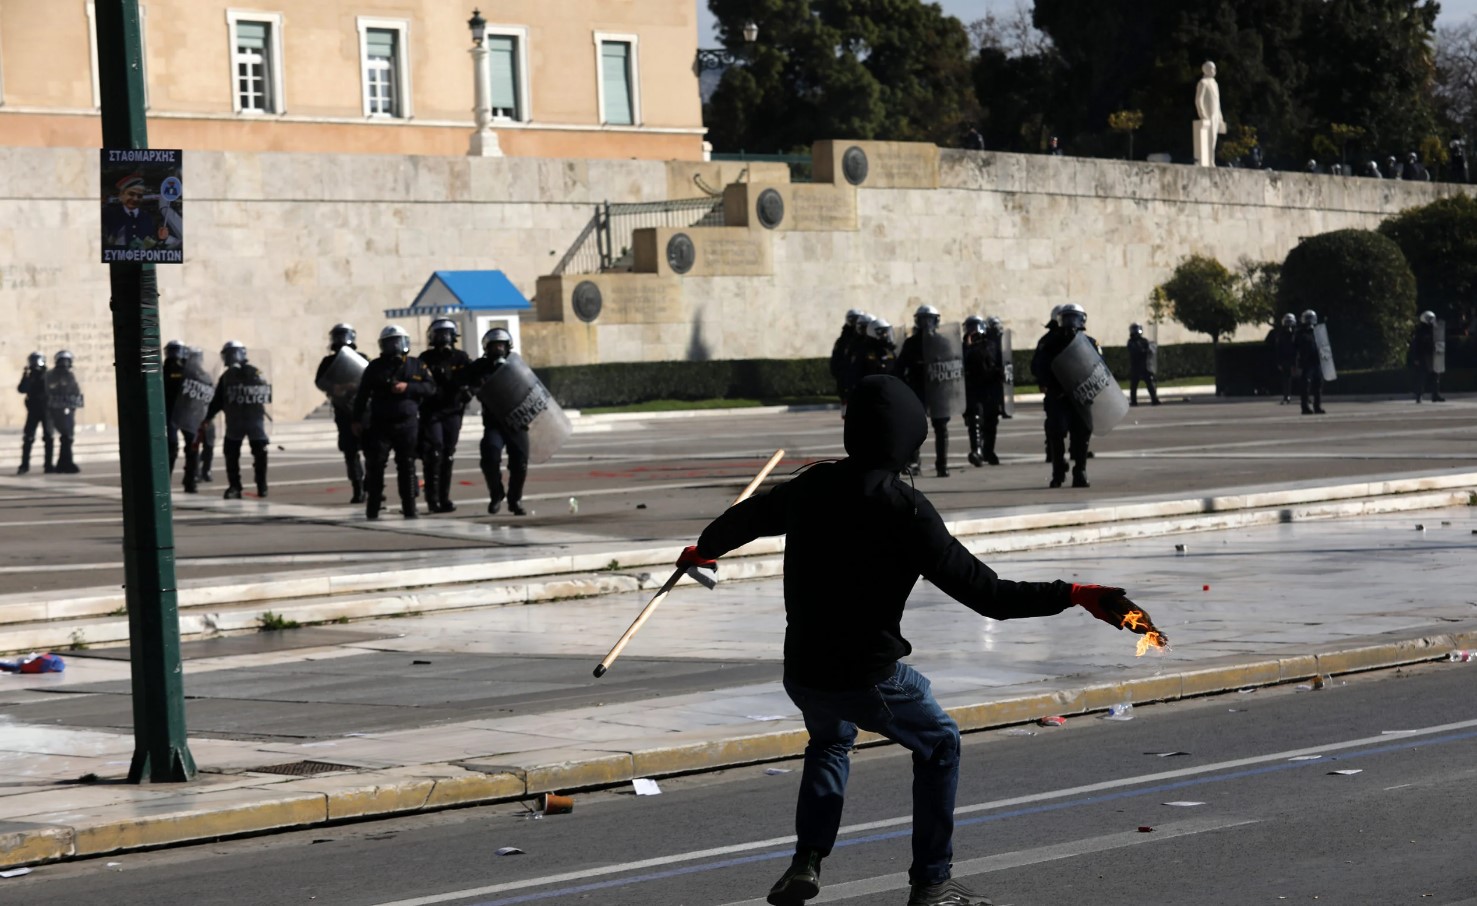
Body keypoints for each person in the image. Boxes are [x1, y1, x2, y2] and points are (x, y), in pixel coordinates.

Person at [673, 374, 1154, 906]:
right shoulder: (908, 511)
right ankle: (931, 882)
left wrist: (705, 547)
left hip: (804, 671)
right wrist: (1073, 593)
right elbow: (989, 595)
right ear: (908, 439)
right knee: (940, 742)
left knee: (830, 741)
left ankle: (806, 862)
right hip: (868, 675)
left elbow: (749, 517)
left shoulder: (812, 486)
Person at [352, 325, 434, 520]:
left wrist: (408, 387)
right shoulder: (375, 366)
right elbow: (362, 394)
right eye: (390, 343)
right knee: (376, 465)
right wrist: (356, 419)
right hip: (380, 424)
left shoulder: (417, 365)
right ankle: (372, 509)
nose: (395, 346)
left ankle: (410, 509)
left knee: (407, 465)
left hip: (407, 424)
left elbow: (430, 388)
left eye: (398, 342)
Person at [460, 328, 529, 516]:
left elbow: (530, 387)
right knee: (490, 457)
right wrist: (470, 389)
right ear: (486, 348)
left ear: (508, 347)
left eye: (501, 345)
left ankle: (515, 500)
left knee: (520, 463)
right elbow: (466, 383)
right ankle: (496, 494)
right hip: (494, 422)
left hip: (516, 421)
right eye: (494, 346)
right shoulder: (479, 367)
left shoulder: (516, 364)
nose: (498, 349)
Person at [1031, 303, 1097, 488]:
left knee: (1082, 435)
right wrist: (1049, 384)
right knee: (1057, 433)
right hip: (1058, 397)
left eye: (1073, 317)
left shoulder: (1089, 343)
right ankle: (1058, 472)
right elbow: (1038, 367)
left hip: (1081, 397)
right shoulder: (1049, 343)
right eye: (1067, 318)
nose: (1070, 322)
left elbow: (1100, 369)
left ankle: (1080, 471)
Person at [202, 340, 271, 499]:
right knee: (234, 454)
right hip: (238, 421)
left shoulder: (253, 372)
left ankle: (256, 485)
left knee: (256, 453)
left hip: (250, 420)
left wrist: (207, 416)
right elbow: (218, 400)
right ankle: (242, 486)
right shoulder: (230, 376)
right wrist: (207, 416)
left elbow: (263, 391)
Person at [418, 319, 473, 513]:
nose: (443, 338)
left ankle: (444, 498)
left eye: (447, 334)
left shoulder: (461, 357)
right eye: (439, 334)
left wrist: (468, 391)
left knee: (448, 454)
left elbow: (473, 377)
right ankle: (432, 499)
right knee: (434, 451)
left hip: (453, 410)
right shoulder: (425, 358)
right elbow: (419, 381)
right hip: (432, 411)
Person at [895, 304, 957, 478]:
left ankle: (942, 464)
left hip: (938, 390)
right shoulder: (911, 343)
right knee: (915, 427)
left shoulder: (943, 342)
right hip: (917, 389)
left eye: (929, 319)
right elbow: (900, 368)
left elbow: (952, 366)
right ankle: (914, 462)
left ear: (936, 321)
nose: (926, 323)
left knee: (941, 427)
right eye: (923, 319)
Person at [315, 324, 366, 503]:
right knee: (350, 452)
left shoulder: (361, 358)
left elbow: (369, 377)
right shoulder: (328, 362)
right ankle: (358, 488)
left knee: (372, 451)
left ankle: (372, 486)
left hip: (363, 409)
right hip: (343, 410)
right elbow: (320, 382)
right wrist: (336, 387)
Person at [961, 316, 1002, 466]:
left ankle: (988, 451)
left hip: (989, 387)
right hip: (973, 388)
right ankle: (976, 451)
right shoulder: (963, 347)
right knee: (975, 419)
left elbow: (994, 361)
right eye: (970, 327)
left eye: (975, 326)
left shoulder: (990, 344)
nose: (973, 330)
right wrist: (967, 347)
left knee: (991, 420)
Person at [162, 339, 198, 493]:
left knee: (191, 448)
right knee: (171, 448)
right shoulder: (163, 370)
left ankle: (190, 480)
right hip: (172, 414)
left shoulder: (191, 370)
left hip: (186, 414)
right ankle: (167, 482)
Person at [101, 174, 167, 252]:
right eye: (131, 194)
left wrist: (161, 238)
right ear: (121, 195)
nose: (135, 199)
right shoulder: (108, 215)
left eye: (139, 196)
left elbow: (151, 246)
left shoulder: (149, 218)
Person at [45, 350, 82, 474]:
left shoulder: (69, 375)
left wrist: (74, 400)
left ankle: (64, 463)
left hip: (68, 408)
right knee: (66, 437)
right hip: (57, 409)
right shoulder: (51, 375)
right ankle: (65, 463)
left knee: (68, 438)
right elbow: (51, 390)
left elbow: (75, 390)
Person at [16, 352, 52, 475]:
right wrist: (26, 376)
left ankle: (48, 465)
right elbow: (22, 389)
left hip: (46, 410)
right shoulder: (29, 375)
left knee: (48, 438)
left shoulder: (47, 374)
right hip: (33, 410)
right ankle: (24, 465)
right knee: (28, 438)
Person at [1409, 310, 1445, 403]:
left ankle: (1435, 395)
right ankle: (1419, 395)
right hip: (1423, 356)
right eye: (1429, 319)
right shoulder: (1420, 331)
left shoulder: (1434, 329)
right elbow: (1416, 345)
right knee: (1422, 377)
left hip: (1433, 355)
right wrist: (1416, 358)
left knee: (1436, 376)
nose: (1432, 321)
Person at [1294, 310, 1326, 415]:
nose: (1309, 321)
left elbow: (1323, 346)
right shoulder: (1299, 333)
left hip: (1316, 362)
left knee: (1318, 385)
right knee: (1305, 386)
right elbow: (1296, 349)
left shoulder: (1317, 332)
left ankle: (1317, 406)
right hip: (1305, 363)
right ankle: (1305, 407)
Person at [829, 310, 864, 405]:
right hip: (846, 379)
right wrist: (841, 375)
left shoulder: (862, 338)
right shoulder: (844, 340)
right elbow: (836, 361)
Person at [1266, 313, 1297, 404]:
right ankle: (1286, 396)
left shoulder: (1296, 333)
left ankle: (1303, 396)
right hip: (1285, 359)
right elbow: (1278, 349)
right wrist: (1279, 362)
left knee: (1303, 378)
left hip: (1294, 359)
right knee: (1286, 378)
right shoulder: (1280, 335)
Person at [1126, 323, 1159, 406]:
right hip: (1136, 366)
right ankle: (1133, 401)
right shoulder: (1131, 342)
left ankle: (1154, 399)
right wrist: (1142, 350)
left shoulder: (1143, 341)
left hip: (1145, 366)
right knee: (1133, 386)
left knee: (1150, 384)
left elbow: (1149, 350)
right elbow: (1134, 350)